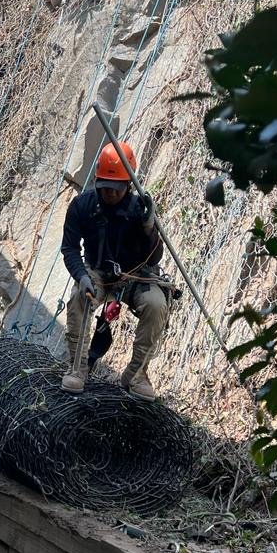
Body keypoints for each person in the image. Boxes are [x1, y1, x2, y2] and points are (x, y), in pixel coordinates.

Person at [59, 141, 169, 401]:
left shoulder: (139, 210)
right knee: (78, 299)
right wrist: (82, 276)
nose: (109, 193)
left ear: (128, 184)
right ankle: (77, 368)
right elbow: (69, 248)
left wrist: (149, 228)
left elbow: (155, 257)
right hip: (96, 271)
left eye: (116, 188)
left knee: (156, 304)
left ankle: (137, 375)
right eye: (104, 187)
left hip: (134, 276)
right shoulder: (82, 206)